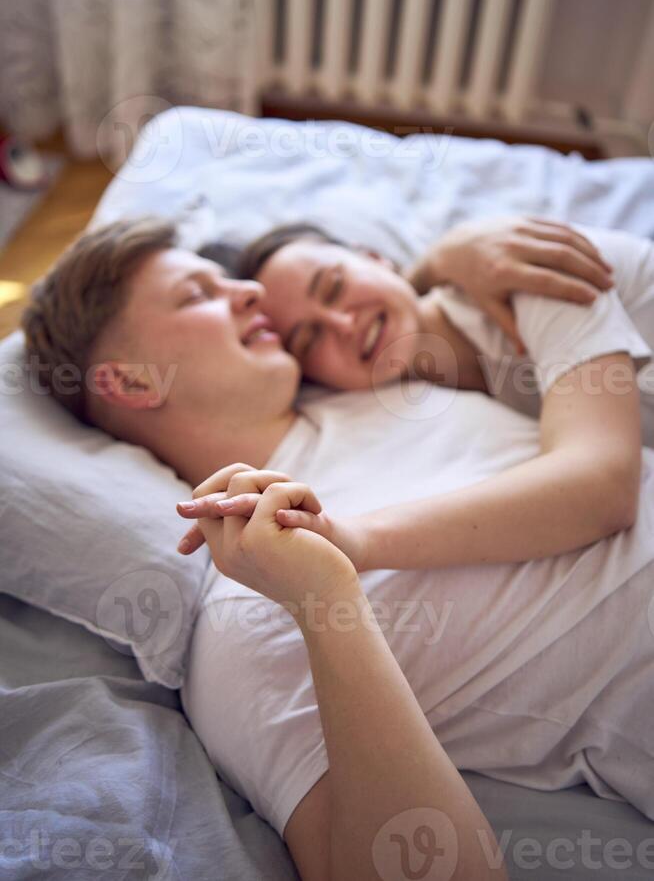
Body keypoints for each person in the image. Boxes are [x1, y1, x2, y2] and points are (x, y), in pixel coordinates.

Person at [21, 217, 654, 881]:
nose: (245, 291)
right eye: (198, 294)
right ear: (133, 384)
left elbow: (371, 300)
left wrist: (442, 256)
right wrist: (326, 597)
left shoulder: (372, 380)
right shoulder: (240, 626)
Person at [231, 216, 654, 441]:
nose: (342, 324)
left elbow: (599, 477)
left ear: (377, 258)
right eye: (310, 339)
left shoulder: (512, 268)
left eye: (335, 286)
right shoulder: (416, 403)